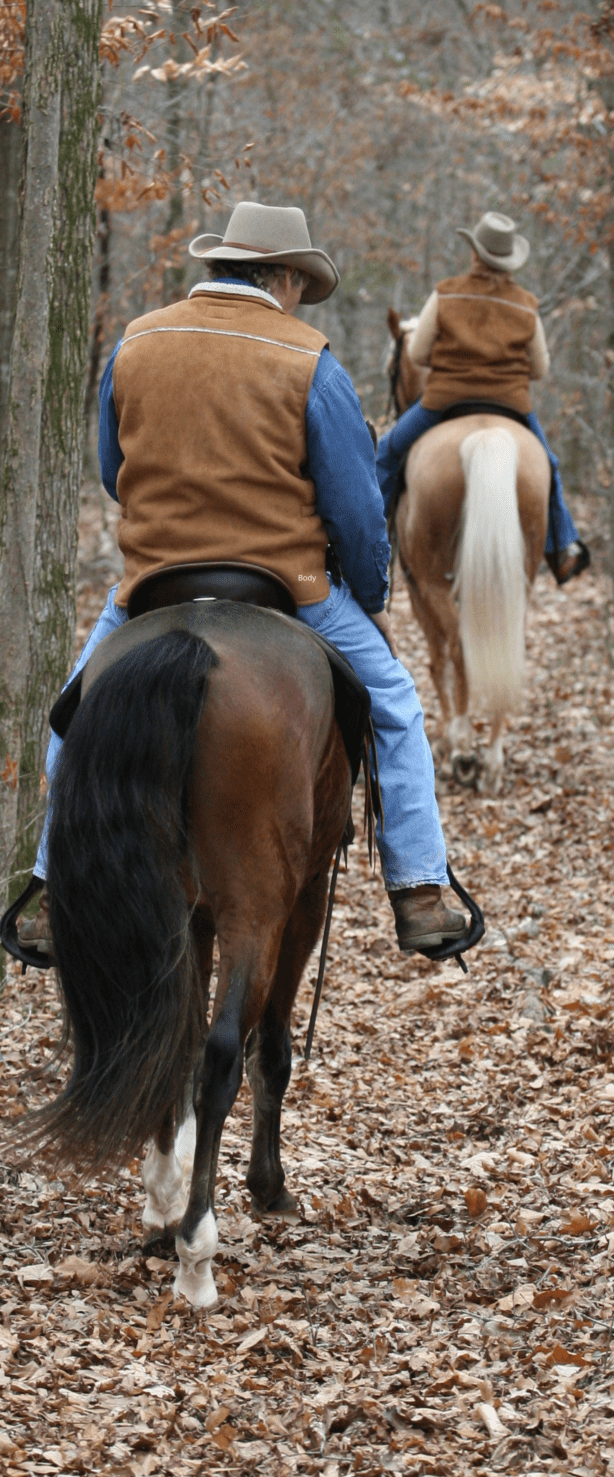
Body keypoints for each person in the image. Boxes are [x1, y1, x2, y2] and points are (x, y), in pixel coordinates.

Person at [18, 200, 466, 963]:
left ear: (223, 263)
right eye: (301, 284)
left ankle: (49, 887)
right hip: (286, 585)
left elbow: (110, 468)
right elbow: (356, 511)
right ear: (286, 276)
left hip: (151, 580)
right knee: (394, 702)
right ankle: (419, 889)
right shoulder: (310, 358)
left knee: (76, 708)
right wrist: (370, 591)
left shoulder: (136, 341)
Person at [377, 211, 589, 586]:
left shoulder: (446, 292)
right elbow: (539, 369)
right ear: (509, 261)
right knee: (550, 466)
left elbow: (417, 354)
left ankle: (370, 544)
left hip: (444, 401)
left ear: (474, 253)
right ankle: (562, 548)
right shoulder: (527, 305)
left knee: (387, 453)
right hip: (512, 406)